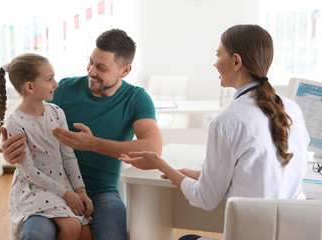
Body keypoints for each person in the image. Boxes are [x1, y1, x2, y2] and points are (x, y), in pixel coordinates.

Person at [118, 24, 310, 240]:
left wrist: (160, 164)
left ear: (236, 61)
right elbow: (264, 174)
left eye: (218, 55)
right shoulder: (292, 108)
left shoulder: (226, 121)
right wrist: (204, 176)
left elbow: (205, 199)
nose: (215, 62)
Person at [0, 29, 163, 240]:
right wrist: (11, 152)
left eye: (101, 68)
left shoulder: (136, 99)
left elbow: (152, 147)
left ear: (125, 70)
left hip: (102, 191)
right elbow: (28, 124)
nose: (91, 71)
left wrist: (93, 144)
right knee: (37, 234)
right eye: (91, 62)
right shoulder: (63, 90)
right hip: (51, 189)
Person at [0, 53, 93, 240]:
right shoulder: (14, 123)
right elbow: (29, 171)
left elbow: (68, 156)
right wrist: (67, 194)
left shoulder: (57, 113)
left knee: (86, 234)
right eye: (49, 79)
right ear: (30, 87)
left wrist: (80, 191)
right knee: (71, 226)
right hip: (34, 188)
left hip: (62, 184)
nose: (56, 84)